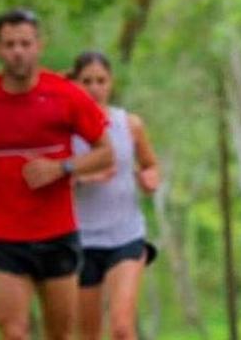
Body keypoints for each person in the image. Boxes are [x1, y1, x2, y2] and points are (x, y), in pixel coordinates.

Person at [0, 8, 114, 340]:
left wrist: (62, 167)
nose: (17, 51)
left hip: (57, 231)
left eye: (25, 43)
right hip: (3, 234)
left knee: (59, 335)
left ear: (39, 46)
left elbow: (105, 153)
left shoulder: (67, 95)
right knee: (13, 332)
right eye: (9, 44)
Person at [68, 51, 160, 340]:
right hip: (83, 240)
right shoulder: (63, 132)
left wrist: (149, 179)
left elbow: (151, 165)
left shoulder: (129, 125)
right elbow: (50, 181)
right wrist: (85, 177)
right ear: (75, 85)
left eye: (101, 80)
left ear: (110, 83)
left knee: (121, 328)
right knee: (89, 334)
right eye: (87, 81)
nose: (95, 88)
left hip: (126, 235)